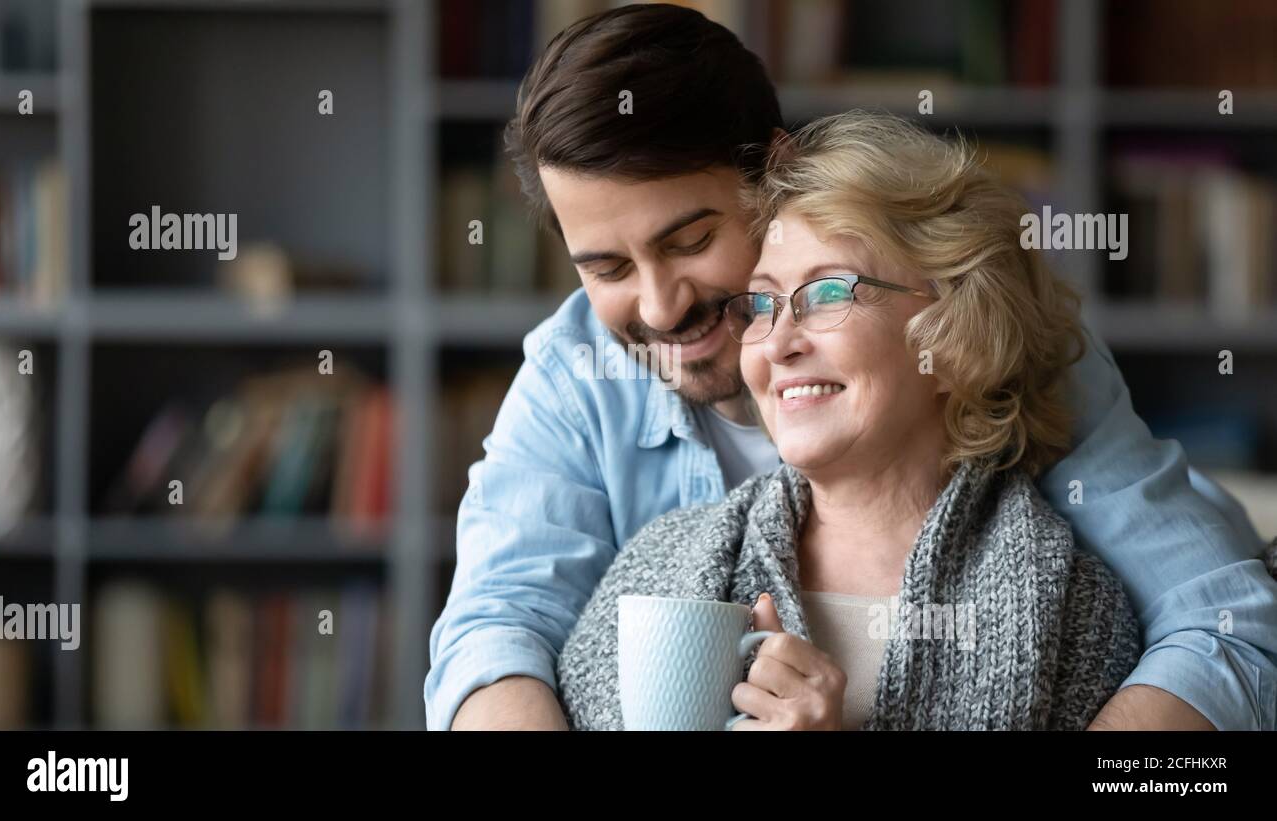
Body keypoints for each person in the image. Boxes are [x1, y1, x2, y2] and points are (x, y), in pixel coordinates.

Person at [425, 3, 1277, 731]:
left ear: (779, 170)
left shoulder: (1000, 346)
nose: (656, 308)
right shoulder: (577, 376)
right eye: (606, 267)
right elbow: (495, 633)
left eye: (689, 241)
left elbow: (1225, 625)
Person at [556, 112, 1141, 730]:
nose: (778, 343)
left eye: (830, 292)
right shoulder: (656, 568)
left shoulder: (1072, 606)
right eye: (760, 304)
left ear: (954, 336)